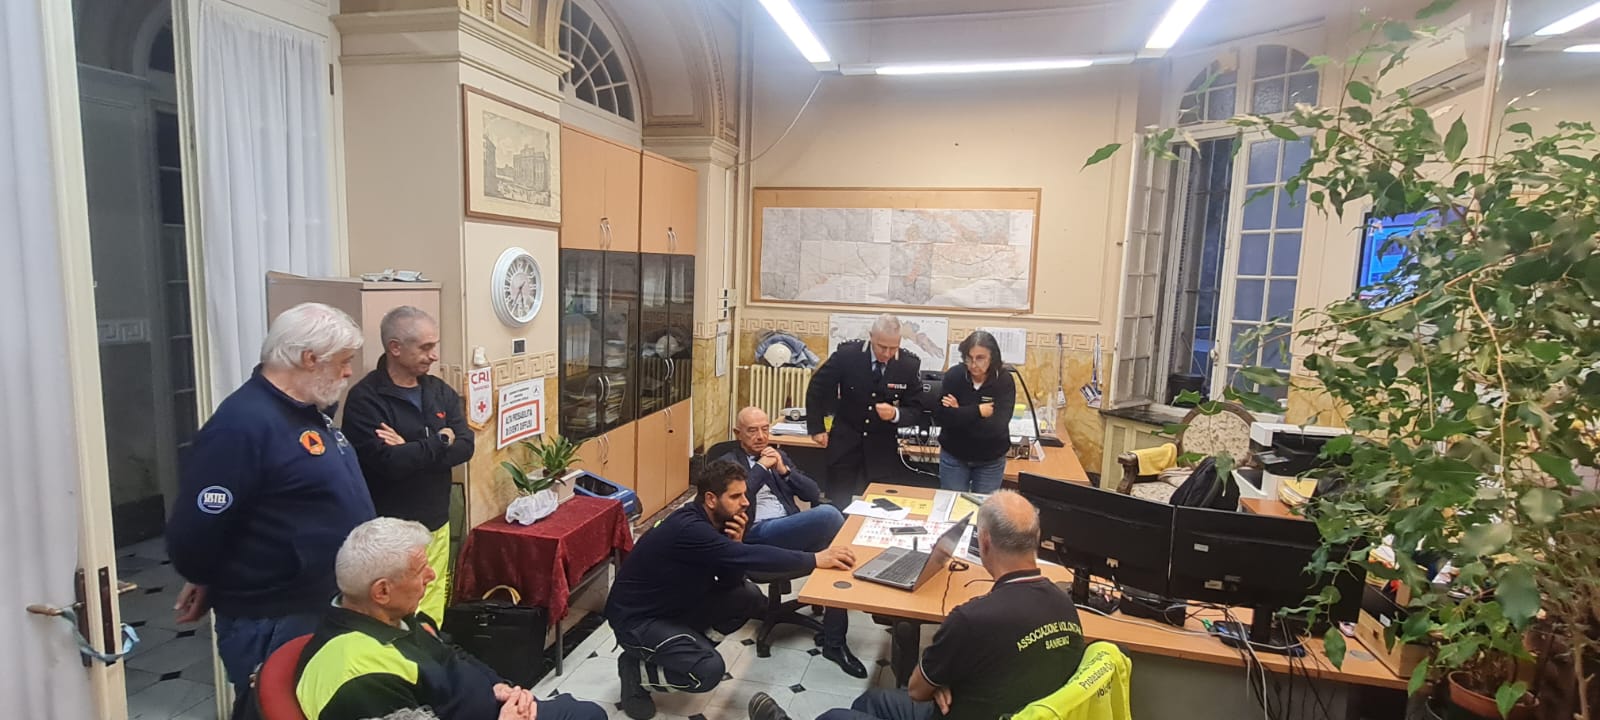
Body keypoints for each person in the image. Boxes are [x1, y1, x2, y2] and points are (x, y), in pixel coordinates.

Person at [165, 302, 377, 717]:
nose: (349, 372)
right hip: (275, 616)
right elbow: (194, 532)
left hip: (317, 604)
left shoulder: (306, 411)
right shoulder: (242, 425)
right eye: (343, 361)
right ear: (309, 358)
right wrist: (207, 575)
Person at [747, 490, 1086, 720]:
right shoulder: (1064, 603)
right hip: (1006, 707)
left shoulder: (972, 619)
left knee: (835, 717)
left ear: (983, 543)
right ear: (1035, 541)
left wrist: (940, 681)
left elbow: (917, 689)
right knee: (871, 700)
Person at [604, 459, 858, 720]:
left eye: (744, 494)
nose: (745, 502)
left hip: (674, 605)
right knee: (708, 671)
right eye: (736, 496)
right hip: (637, 621)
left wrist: (734, 543)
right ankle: (635, 672)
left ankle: (686, 648)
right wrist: (814, 559)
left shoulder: (717, 523)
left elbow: (730, 582)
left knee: (746, 596)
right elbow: (751, 556)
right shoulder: (690, 528)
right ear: (711, 499)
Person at [295, 518, 605, 720]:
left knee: (585, 712)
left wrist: (500, 686)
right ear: (382, 591)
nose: (431, 576)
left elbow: (451, 653)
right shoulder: (359, 678)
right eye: (420, 571)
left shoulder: (394, 616)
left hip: (491, 705)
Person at [342, 306, 474, 621]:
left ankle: (428, 651)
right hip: (390, 534)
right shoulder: (366, 399)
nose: (434, 356)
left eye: (434, 346)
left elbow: (466, 446)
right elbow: (389, 463)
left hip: (436, 522)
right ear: (395, 348)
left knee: (431, 609)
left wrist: (410, 449)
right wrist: (439, 442)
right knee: (394, 614)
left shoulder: (439, 391)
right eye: (425, 348)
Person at [720, 406, 866, 678]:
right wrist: (761, 469)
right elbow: (733, 503)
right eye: (752, 431)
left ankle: (835, 643)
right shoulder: (727, 464)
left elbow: (812, 492)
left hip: (787, 529)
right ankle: (835, 633)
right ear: (738, 433)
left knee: (836, 553)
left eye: (765, 429)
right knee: (830, 515)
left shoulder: (777, 455)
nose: (761, 436)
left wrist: (784, 470)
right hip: (755, 536)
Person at [805, 314, 924, 507]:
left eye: (893, 348)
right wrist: (817, 428)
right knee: (836, 504)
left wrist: (896, 414)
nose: (887, 353)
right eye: (882, 347)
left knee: (879, 506)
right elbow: (817, 387)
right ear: (871, 337)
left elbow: (916, 409)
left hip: (881, 449)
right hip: (845, 442)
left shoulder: (908, 365)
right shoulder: (847, 355)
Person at [935, 331, 1017, 494]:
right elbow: (942, 418)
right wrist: (978, 411)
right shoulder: (954, 376)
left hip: (990, 459)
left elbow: (996, 427)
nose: (973, 364)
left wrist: (959, 411)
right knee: (951, 504)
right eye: (969, 358)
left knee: (985, 506)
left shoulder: (1004, 381)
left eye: (980, 358)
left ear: (992, 358)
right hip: (954, 455)